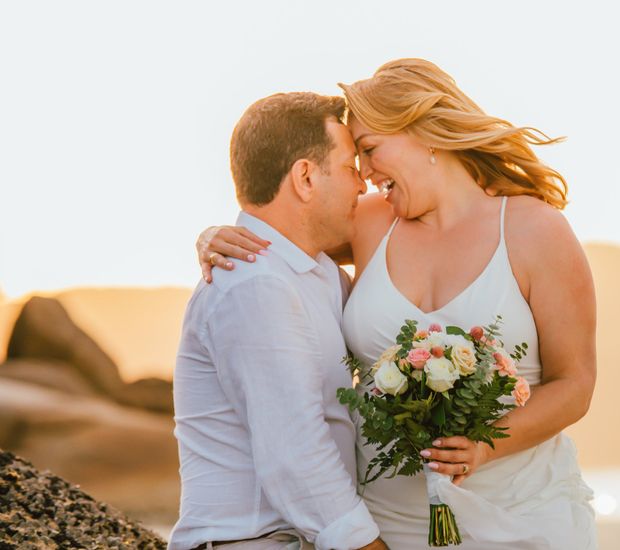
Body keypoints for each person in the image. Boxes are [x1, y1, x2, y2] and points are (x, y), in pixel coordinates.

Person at [198, 59, 598, 549]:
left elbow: (575, 383)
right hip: (387, 523)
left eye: (368, 149)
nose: (364, 175)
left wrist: (482, 447)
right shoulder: (368, 224)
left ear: (425, 133)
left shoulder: (536, 230)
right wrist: (215, 234)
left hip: (520, 514)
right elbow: (283, 235)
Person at [171, 92, 388, 550]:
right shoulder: (253, 284)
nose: (362, 185)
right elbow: (295, 453)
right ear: (306, 178)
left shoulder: (318, 275)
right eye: (351, 167)